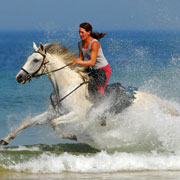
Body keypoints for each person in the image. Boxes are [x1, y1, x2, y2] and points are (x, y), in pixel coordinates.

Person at [72, 22, 111, 96]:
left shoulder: (94, 44)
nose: (80, 34)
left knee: (99, 91)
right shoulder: (80, 44)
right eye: (79, 32)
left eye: (82, 32)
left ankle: (103, 105)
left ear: (89, 32)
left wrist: (78, 62)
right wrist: (73, 62)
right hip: (95, 70)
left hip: (104, 70)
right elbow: (81, 58)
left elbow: (92, 62)